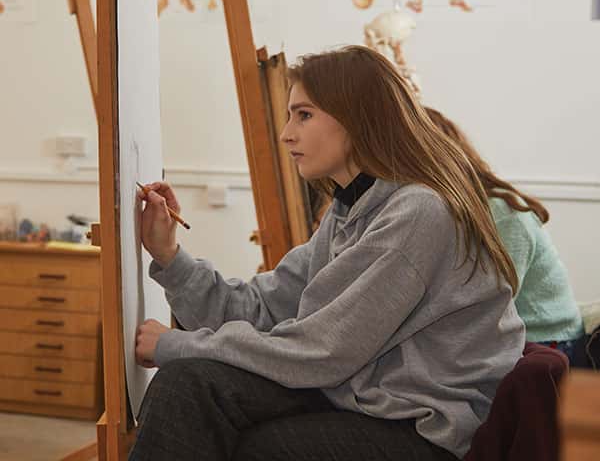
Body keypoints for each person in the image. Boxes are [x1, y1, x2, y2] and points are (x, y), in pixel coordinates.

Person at [130, 46, 524, 461]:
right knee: (190, 384)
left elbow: (323, 352)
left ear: (356, 118)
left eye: (304, 114)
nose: (286, 134)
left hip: (423, 432)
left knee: (251, 441)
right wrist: (170, 256)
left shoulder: (418, 213)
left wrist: (177, 344)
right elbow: (263, 309)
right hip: (367, 397)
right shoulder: (351, 210)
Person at [425, 107, 584, 362]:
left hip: (546, 340)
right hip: (511, 336)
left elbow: (493, 306)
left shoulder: (501, 212)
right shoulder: (441, 212)